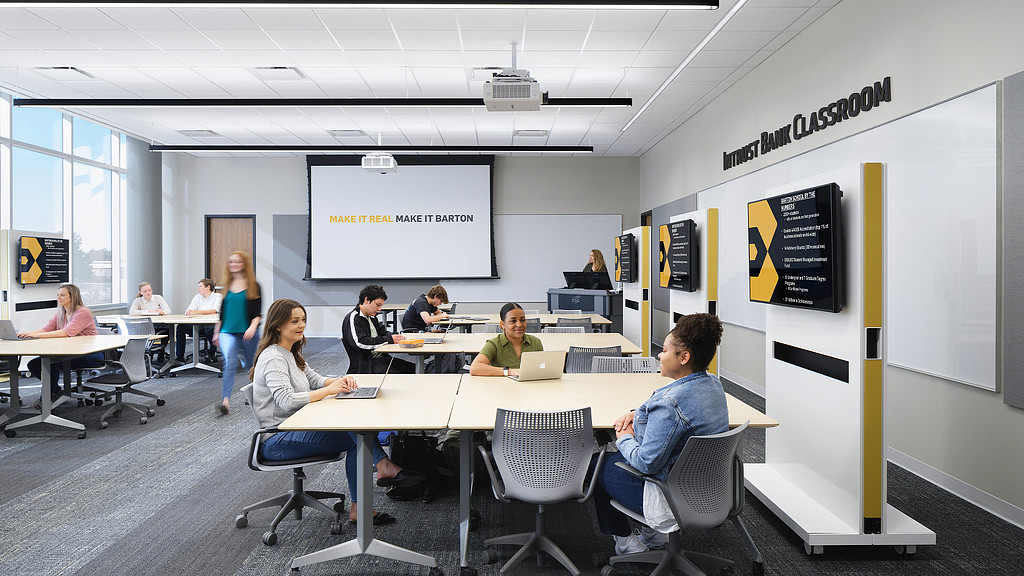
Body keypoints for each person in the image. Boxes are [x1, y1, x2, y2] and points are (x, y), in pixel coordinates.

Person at [250, 299, 424, 524]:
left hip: (297, 427)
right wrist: (329, 391)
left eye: (303, 320)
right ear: (277, 326)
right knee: (356, 438)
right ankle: (375, 481)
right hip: (277, 439)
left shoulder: (289, 352)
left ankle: (378, 476)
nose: (301, 325)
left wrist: (337, 382)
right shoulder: (274, 358)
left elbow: (313, 379)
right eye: (294, 321)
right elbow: (286, 401)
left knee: (357, 431)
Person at [590, 313, 729, 555]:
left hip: (671, 497)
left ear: (684, 357)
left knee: (597, 464)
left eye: (664, 350)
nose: (659, 355)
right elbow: (677, 413)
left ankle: (627, 544)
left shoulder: (669, 405)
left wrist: (624, 437)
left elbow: (646, 463)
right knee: (616, 461)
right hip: (708, 489)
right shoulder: (713, 385)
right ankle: (655, 536)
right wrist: (639, 412)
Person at [19, 283, 103, 399]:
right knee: (34, 364)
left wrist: (35, 335)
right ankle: (57, 391)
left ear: (72, 297)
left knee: (50, 362)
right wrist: (27, 334)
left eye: (62, 295)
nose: (58, 298)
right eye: (58, 295)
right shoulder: (61, 313)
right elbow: (46, 330)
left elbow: (66, 333)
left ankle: (46, 400)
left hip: (90, 354)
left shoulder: (83, 312)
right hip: (70, 353)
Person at [213, 251, 262, 415]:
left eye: (237, 261)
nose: (233, 264)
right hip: (227, 332)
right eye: (231, 261)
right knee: (230, 364)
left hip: (248, 331)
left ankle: (256, 395)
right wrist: (216, 332)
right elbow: (222, 312)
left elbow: (257, 312)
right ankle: (225, 401)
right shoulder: (227, 285)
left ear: (244, 264)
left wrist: (253, 327)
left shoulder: (254, 285)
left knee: (250, 365)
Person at [341, 284, 414, 374]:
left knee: (415, 369)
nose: (379, 309)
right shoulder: (353, 318)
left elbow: (383, 332)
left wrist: (396, 337)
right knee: (406, 375)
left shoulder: (371, 317)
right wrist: (389, 339)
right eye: (377, 305)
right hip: (367, 365)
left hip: (381, 359)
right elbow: (360, 343)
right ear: (366, 300)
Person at [469, 302, 544, 378]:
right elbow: (475, 368)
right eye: (513, 321)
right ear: (503, 324)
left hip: (530, 387)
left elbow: (543, 367)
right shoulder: (494, 344)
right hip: (502, 388)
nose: (519, 325)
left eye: (522, 320)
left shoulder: (535, 342)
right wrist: (509, 371)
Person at [174, 278, 222, 364]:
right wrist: (189, 311)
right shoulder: (197, 297)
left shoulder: (217, 296)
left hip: (210, 325)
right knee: (180, 327)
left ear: (208, 287)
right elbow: (191, 307)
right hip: (198, 325)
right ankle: (179, 357)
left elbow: (215, 310)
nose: (198, 288)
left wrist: (198, 311)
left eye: (200, 286)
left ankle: (212, 353)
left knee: (211, 330)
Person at [129, 281, 171, 360]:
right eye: (145, 291)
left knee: (168, 330)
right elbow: (132, 312)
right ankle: (147, 352)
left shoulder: (158, 298)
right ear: (141, 292)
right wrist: (147, 312)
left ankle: (161, 350)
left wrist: (162, 312)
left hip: (158, 325)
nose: (148, 293)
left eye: (149, 290)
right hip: (144, 326)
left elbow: (168, 310)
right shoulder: (138, 301)